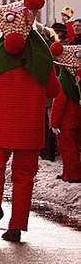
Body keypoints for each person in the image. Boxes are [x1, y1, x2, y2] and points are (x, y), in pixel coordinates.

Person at [0, 0, 60, 242]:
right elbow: (54, 91)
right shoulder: (41, 56)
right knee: (24, 175)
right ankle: (16, 226)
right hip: (30, 129)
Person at [49, 42, 81, 183]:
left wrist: (54, 123)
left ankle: (72, 174)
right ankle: (68, 172)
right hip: (77, 120)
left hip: (66, 123)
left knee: (68, 150)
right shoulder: (77, 81)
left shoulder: (64, 82)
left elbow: (59, 104)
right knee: (74, 148)